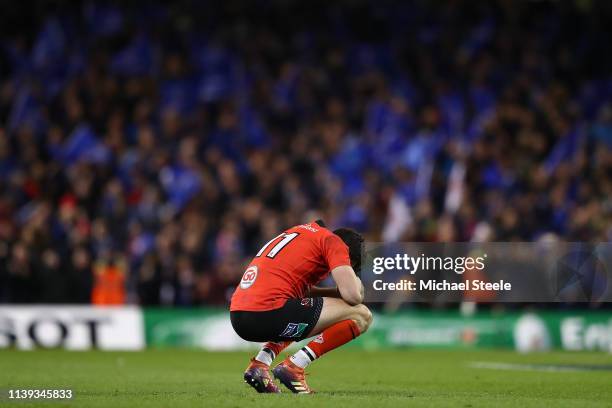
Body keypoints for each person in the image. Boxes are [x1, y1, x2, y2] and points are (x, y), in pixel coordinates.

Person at [229, 219, 372, 394]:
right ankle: (295, 366)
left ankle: (260, 364)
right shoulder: (334, 242)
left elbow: (300, 292)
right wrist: (356, 283)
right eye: (352, 267)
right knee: (362, 315)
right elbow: (353, 296)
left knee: (298, 312)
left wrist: (334, 292)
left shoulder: (300, 233)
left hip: (239, 314)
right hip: (268, 312)